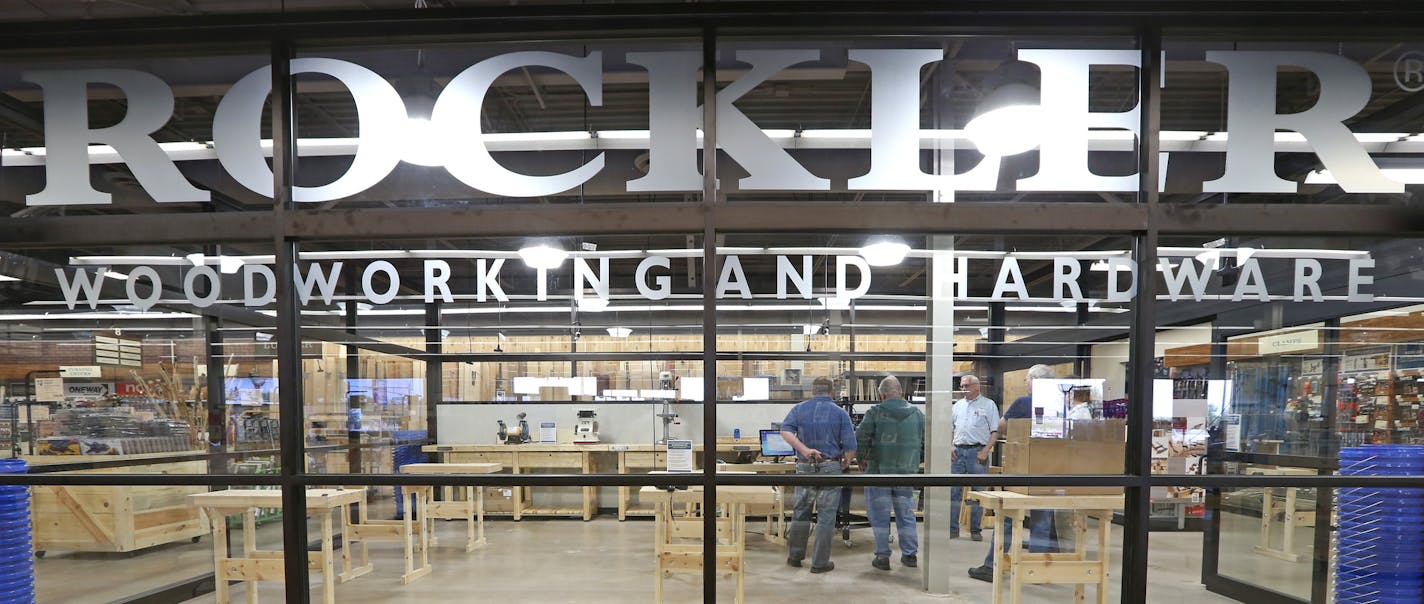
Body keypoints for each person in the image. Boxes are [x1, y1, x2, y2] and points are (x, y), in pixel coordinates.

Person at [969, 364, 1061, 582]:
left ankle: (992, 566)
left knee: (1008, 519)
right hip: (1050, 471)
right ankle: (1038, 571)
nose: (1025, 383)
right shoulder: (1060, 404)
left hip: (1023, 469)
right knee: (1042, 522)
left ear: (1034, 381)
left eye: (1027, 379)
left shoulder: (1023, 403)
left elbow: (1002, 426)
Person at [780, 376, 857, 574]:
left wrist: (804, 450)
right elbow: (850, 447)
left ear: (812, 391)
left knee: (801, 512)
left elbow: (785, 431)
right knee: (826, 516)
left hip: (805, 466)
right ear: (831, 392)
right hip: (831, 467)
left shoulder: (799, 409)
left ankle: (795, 557)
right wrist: (846, 462)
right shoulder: (840, 413)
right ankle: (819, 563)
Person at [856, 376, 925, 571]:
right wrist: (914, 460)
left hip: (878, 472)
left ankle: (882, 556)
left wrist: (860, 458)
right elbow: (926, 443)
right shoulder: (918, 415)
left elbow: (861, 437)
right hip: (907, 473)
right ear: (901, 393)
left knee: (880, 515)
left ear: (882, 395)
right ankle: (910, 555)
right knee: (906, 513)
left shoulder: (875, 412)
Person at [950, 374, 997, 541]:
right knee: (953, 492)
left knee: (978, 493)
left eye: (966, 385)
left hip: (977, 452)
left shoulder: (989, 405)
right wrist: (950, 446)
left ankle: (975, 529)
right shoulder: (957, 406)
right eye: (962, 386)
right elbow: (950, 428)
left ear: (977, 387)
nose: (963, 389)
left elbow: (995, 431)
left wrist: (986, 451)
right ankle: (952, 529)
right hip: (958, 453)